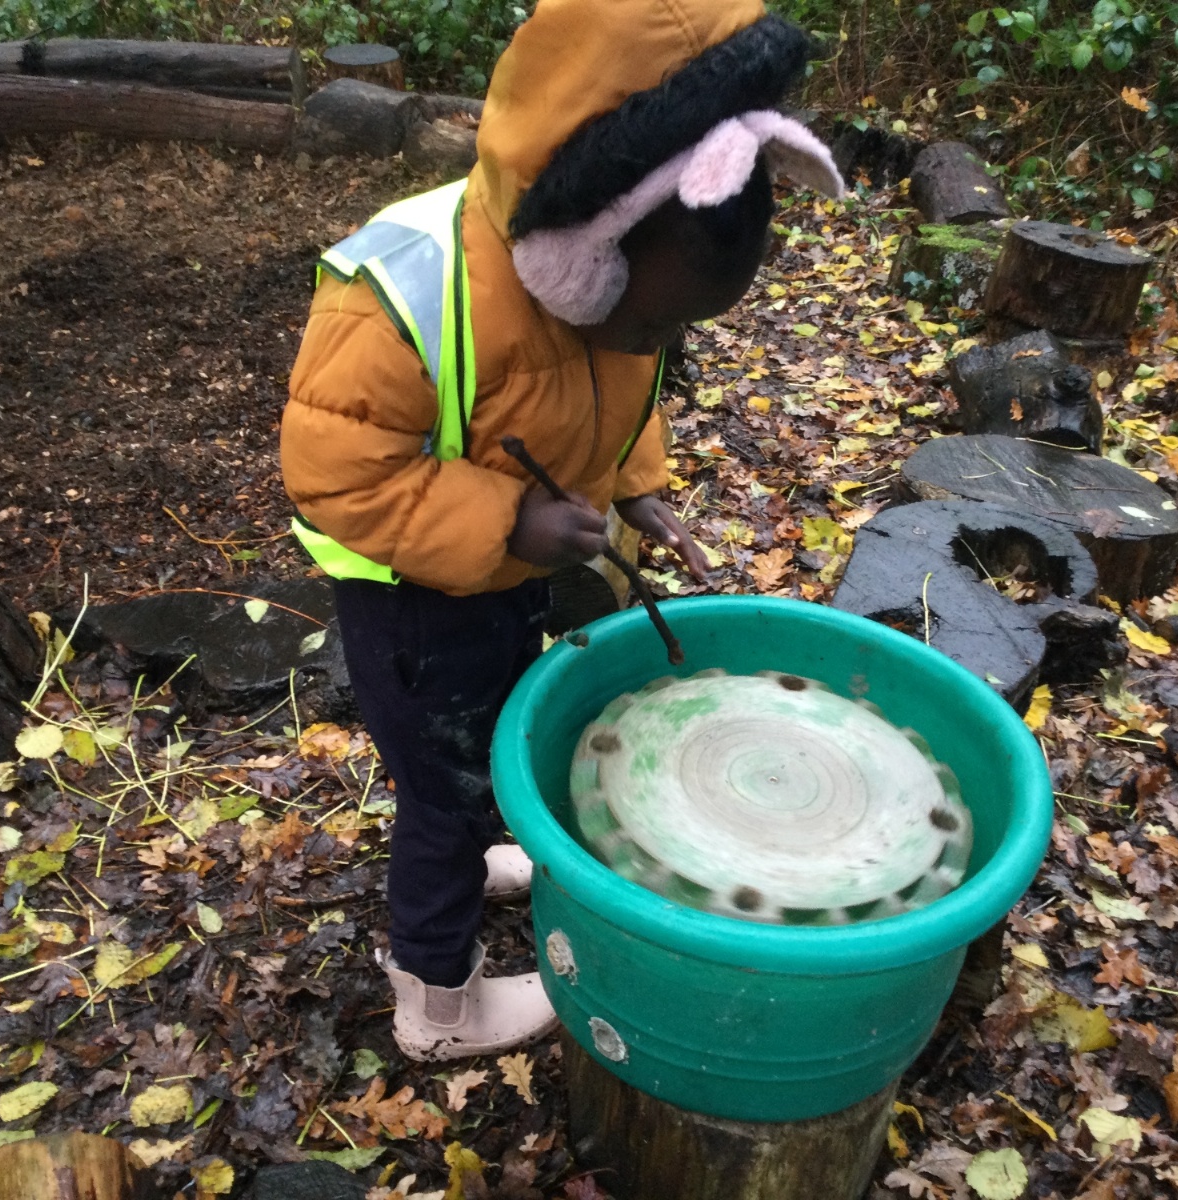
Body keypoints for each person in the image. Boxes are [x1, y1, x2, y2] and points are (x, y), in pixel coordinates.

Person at [280, 0, 842, 1061]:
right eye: (655, 322)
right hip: (412, 603)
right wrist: (509, 518)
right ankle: (435, 1003)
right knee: (441, 794)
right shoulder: (399, 294)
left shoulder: (617, 292)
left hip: (500, 578)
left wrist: (635, 487)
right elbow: (333, 475)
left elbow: (610, 391)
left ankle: (481, 836)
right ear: (588, 247)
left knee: (491, 738)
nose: (656, 342)